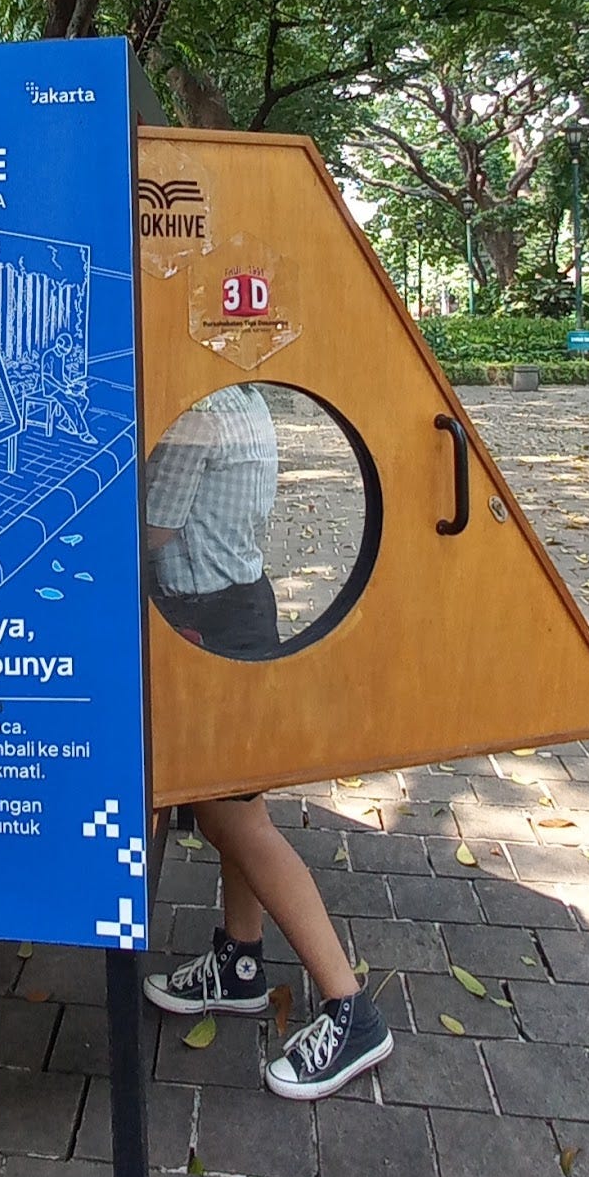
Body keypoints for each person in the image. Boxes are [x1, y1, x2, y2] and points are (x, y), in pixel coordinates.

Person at [142, 384, 393, 1100]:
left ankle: (350, 1011)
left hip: (208, 624)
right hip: (240, 608)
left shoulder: (195, 414)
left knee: (236, 820)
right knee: (230, 803)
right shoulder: (244, 400)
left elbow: (152, 532)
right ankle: (240, 961)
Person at [40, 332, 97, 444]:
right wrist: (62, 387)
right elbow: (46, 376)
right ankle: (83, 433)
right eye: (65, 349)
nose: (66, 352)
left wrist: (71, 383)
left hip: (61, 387)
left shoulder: (61, 356)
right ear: (58, 344)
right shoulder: (49, 356)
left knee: (83, 400)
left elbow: (61, 374)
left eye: (67, 349)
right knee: (71, 403)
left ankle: (66, 422)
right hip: (51, 389)